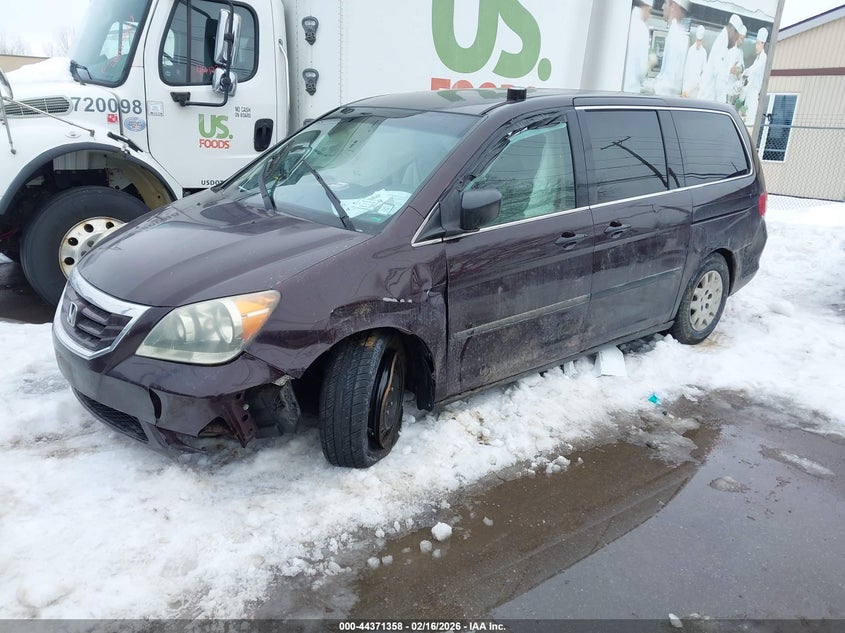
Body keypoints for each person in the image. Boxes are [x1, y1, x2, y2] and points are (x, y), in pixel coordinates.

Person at [698, 14, 745, 102]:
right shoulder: (721, 43)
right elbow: (720, 76)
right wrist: (723, 104)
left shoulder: (725, 43)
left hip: (711, 99)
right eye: (736, 37)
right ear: (732, 30)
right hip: (707, 98)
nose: (735, 41)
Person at [653, 0, 690, 96]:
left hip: (665, 99)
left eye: (665, 3)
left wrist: (653, 88)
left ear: (673, 6)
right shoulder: (674, 32)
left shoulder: (676, 35)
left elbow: (670, 81)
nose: (662, 7)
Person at [624, 0, 654, 94]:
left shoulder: (625, 21)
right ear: (645, 7)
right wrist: (651, 62)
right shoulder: (642, 29)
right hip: (630, 92)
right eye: (650, 11)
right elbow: (641, 72)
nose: (650, 16)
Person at [741, 27, 768, 124]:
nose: (756, 46)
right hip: (749, 94)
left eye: (758, 43)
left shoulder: (763, 58)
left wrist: (746, 72)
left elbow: (753, 69)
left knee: (750, 122)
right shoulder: (757, 58)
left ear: (763, 44)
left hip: (753, 95)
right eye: (755, 43)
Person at [682, 25, 707, 97]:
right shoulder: (691, 50)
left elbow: (704, 72)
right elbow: (686, 70)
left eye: (700, 41)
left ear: (702, 40)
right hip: (687, 85)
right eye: (698, 40)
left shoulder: (704, 52)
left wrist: (700, 84)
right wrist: (684, 89)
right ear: (696, 39)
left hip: (697, 87)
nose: (699, 43)